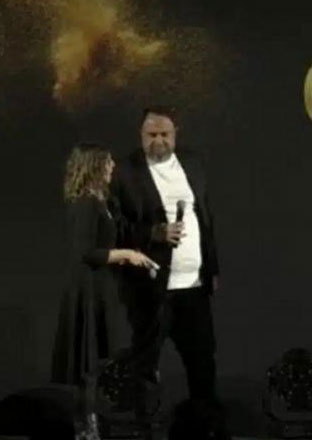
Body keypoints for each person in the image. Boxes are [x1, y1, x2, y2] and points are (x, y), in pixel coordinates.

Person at [111, 105, 225, 436]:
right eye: (152, 134)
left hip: (194, 286)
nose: (158, 141)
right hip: (151, 288)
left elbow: (206, 218)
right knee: (145, 365)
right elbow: (114, 228)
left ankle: (206, 428)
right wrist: (154, 233)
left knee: (202, 361)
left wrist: (212, 267)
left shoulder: (192, 163)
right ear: (140, 135)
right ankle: (143, 428)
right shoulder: (124, 172)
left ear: (176, 134)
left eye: (165, 134)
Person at [52, 142, 157, 386]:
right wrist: (126, 254)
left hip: (99, 286)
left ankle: (98, 404)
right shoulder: (86, 203)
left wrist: (133, 252)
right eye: (107, 161)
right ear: (94, 165)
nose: (112, 166)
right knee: (92, 357)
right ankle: (87, 406)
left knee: (105, 351)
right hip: (88, 288)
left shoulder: (101, 202)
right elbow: (86, 253)